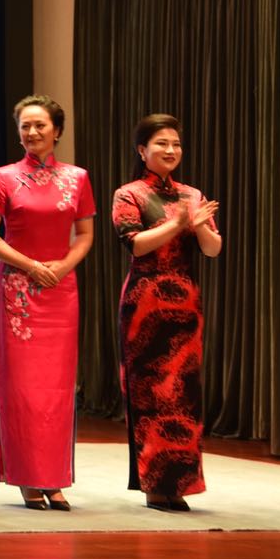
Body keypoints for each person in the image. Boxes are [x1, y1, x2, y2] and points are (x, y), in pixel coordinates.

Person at [0, 94, 95, 511]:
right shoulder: (2, 177)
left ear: (57, 131)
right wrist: (30, 266)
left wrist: (62, 267)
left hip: (61, 290)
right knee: (22, 388)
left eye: (40, 125)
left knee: (58, 389)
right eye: (25, 126)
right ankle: (28, 478)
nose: (32, 132)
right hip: (18, 290)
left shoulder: (78, 178)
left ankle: (55, 478)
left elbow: (85, 235)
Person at [113, 114, 221, 511]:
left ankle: (180, 484)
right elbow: (136, 244)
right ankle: (155, 484)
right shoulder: (128, 194)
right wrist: (177, 223)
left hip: (186, 305)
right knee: (150, 395)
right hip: (145, 304)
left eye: (175, 143)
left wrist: (199, 225)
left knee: (184, 397)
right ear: (142, 150)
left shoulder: (192, 195)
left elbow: (212, 249)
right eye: (161, 143)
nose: (171, 150)